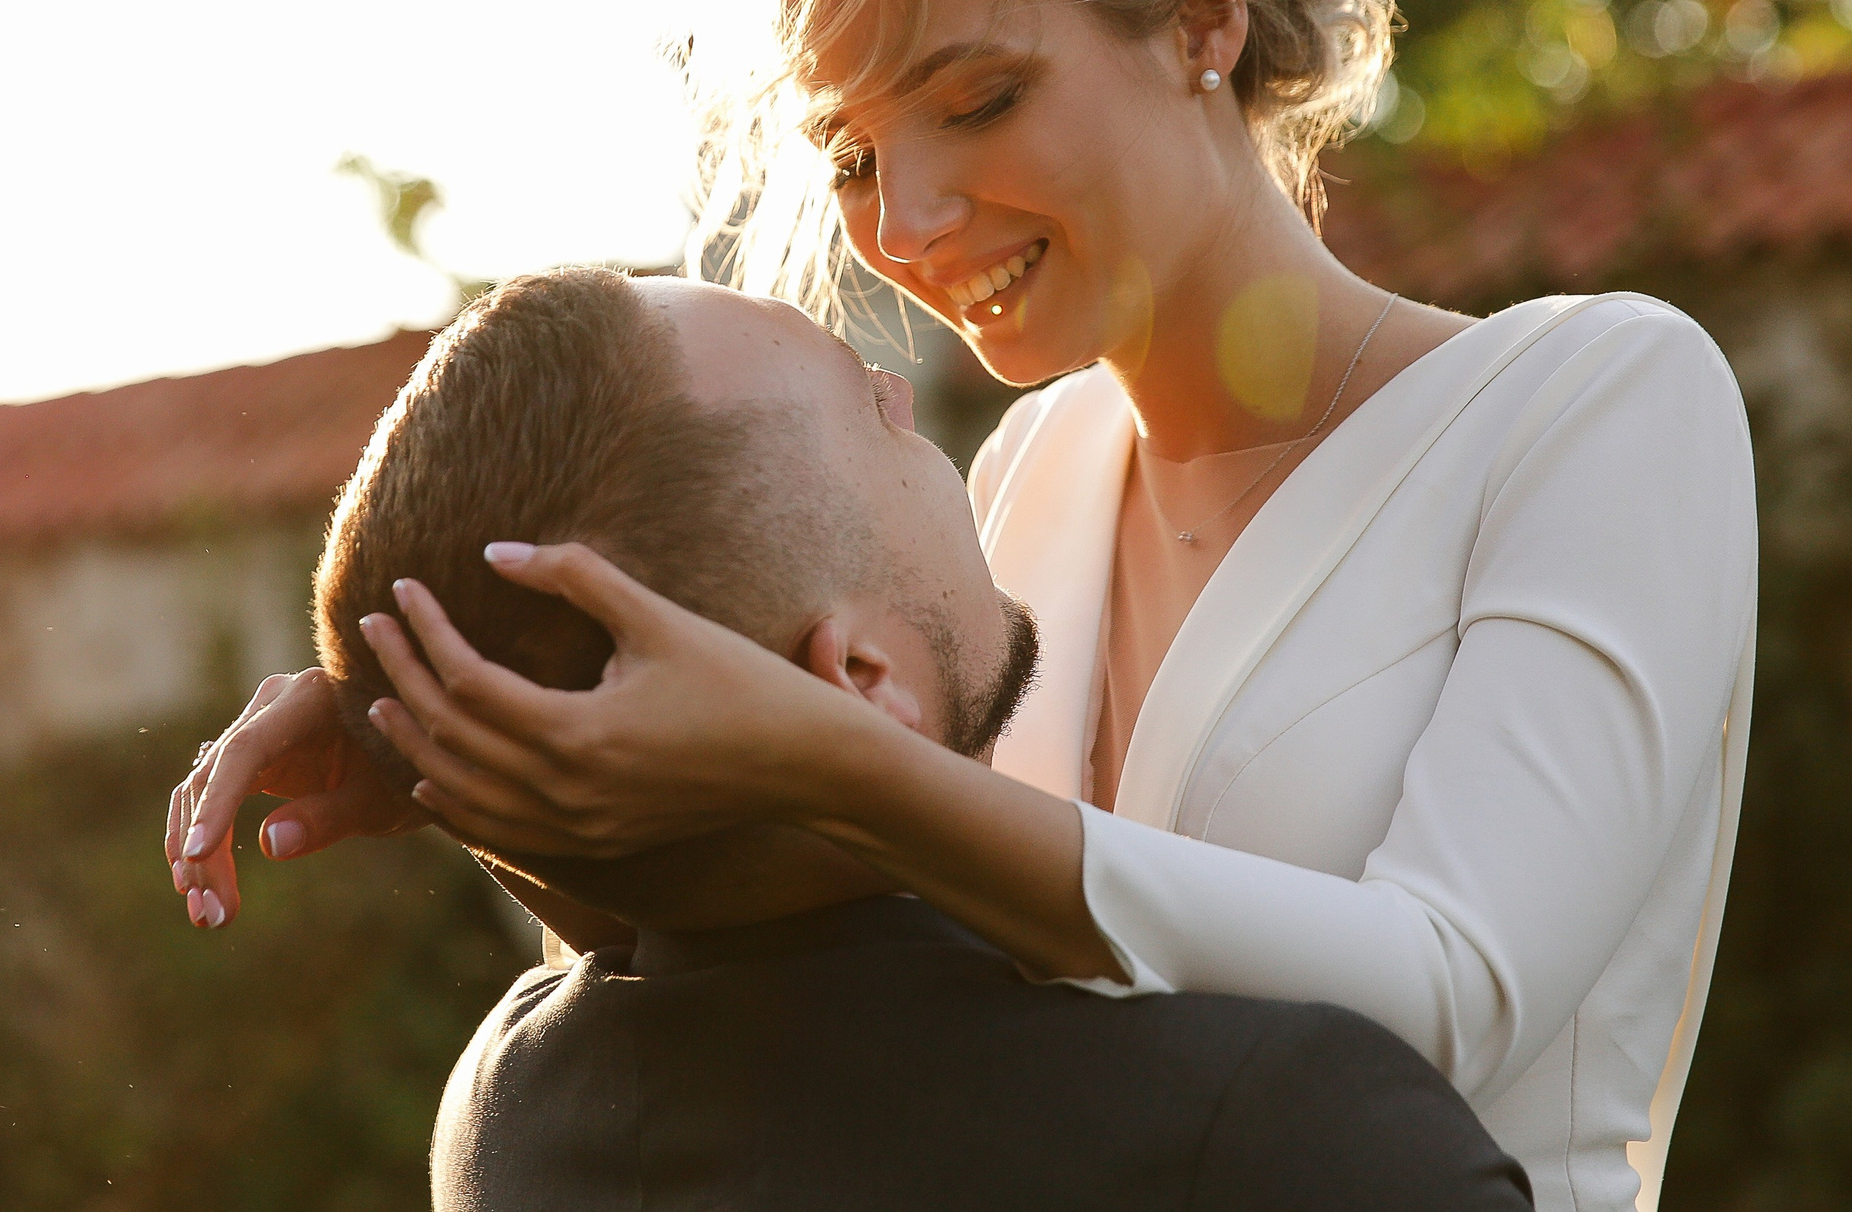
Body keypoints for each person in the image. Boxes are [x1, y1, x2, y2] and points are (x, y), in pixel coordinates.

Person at [174, 0, 1754, 1212]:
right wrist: (476, 730)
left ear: (1203, 20)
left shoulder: (1597, 407)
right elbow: (833, 996)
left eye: (981, 100)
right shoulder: (1020, 478)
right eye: (855, 153)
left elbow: (1445, 1003)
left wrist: (828, 757)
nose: (906, 226)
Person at [191, 265, 1532, 1210]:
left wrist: (431, 754)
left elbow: (650, 932)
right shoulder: (1278, 1133)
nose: (909, 396)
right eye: (873, 412)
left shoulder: (511, 1115)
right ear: (861, 674)